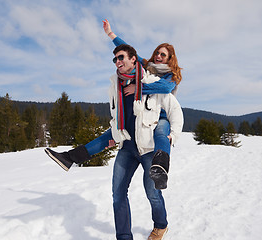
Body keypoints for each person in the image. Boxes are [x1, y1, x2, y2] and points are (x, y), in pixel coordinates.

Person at [47, 44, 184, 240]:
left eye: (121, 58)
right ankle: (124, 236)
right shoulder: (115, 86)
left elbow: (175, 110)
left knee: (153, 194)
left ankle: (161, 225)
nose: (118, 62)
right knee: (118, 195)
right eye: (115, 59)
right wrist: (115, 135)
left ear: (133, 60)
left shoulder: (152, 82)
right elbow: (116, 116)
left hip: (148, 148)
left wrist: (174, 134)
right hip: (127, 148)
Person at [45, 20, 183, 190]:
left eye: (163, 55)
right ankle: (70, 158)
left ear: (170, 59)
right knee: (107, 136)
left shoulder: (171, 75)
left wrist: (139, 89)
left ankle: (161, 167)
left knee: (161, 133)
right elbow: (128, 51)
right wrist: (111, 34)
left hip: (161, 113)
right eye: (157, 53)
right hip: (143, 113)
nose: (158, 56)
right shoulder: (146, 66)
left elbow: (166, 88)